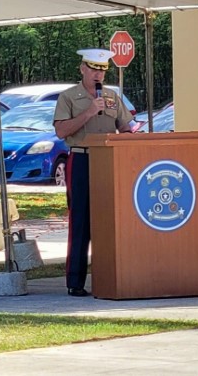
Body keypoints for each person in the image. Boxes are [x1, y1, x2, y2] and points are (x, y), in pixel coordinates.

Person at [54, 48, 133, 297]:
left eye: (102, 70)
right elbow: (61, 131)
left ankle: (110, 276)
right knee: (81, 220)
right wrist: (88, 112)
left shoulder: (112, 97)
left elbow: (126, 127)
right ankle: (75, 281)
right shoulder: (69, 97)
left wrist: (131, 138)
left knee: (110, 218)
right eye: (93, 69)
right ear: (82, 69)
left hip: (108, 161)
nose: (97, 74)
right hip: (81, 159)